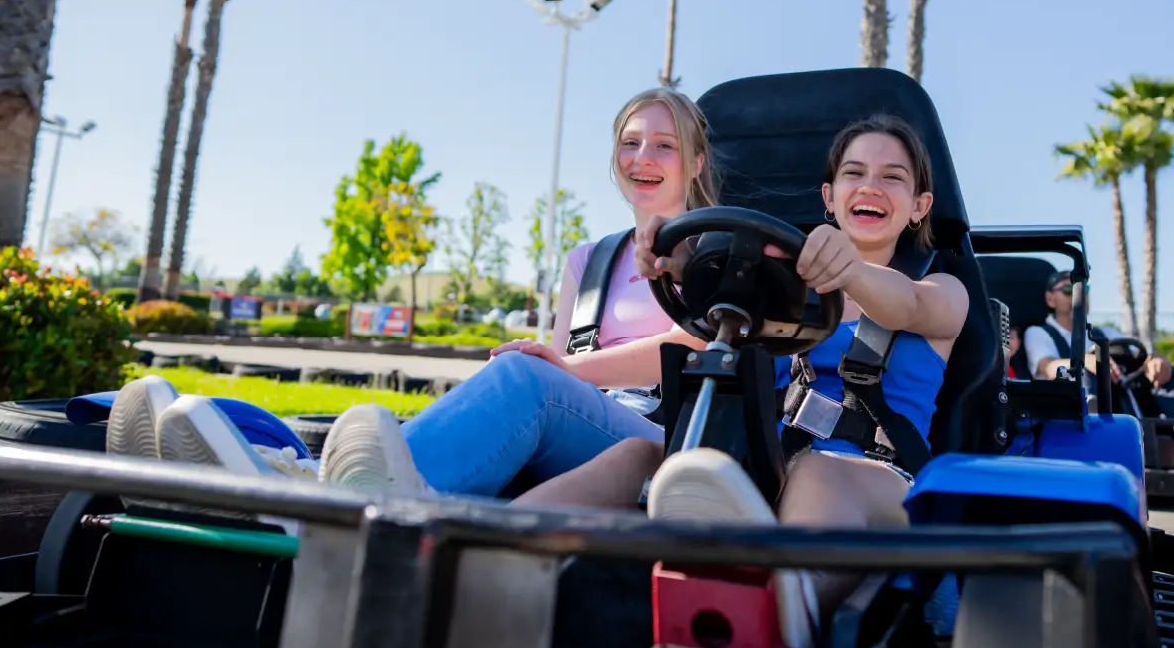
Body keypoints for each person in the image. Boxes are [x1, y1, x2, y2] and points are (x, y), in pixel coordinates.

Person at [102, 87, 718, 499]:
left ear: (694, 163)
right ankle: (285, 472)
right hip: (580, 426)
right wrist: (555, 364)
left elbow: (690, 344)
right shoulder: (589, 260)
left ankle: (311, 488)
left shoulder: (724, 249)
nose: (642, 156)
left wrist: (563, 366)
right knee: (517, 374)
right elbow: (559, 366)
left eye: (664, 145)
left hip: (663, 434)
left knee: (524, 380)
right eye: (630, 141)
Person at [502, 113, 968, 648]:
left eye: (892, 177)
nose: (869, 186)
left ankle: (772, 625)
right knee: (639, 456)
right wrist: (679, 264)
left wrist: (851, 272)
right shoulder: (775, 290)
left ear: (919, 206)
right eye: (854, 173)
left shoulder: (940, 289)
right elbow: (699, 335)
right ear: (830, 194)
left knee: (819, 473)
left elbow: (906, 304)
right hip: (765, 469)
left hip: (881, 481)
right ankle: (482, 555)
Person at [1023, 270, 1174, 466]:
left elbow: (1142, 357)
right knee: (1084, 372)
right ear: (1050, 299)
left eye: (1084, 289)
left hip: (1121, 402)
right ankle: (1095, 447)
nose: (1079, 295)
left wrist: (1156, 361)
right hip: (1071, 416)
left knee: (1165, 372)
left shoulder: (1106, 333)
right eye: (1069, 289)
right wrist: (1084, 360)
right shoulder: (1039, 333)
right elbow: (1047, 366)